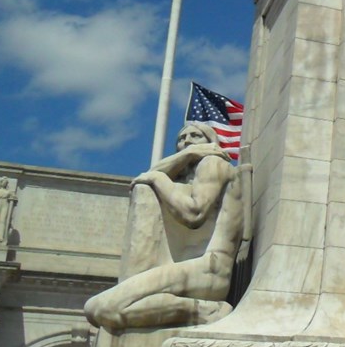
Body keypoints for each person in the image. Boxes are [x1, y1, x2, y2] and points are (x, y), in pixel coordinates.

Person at [84, 122, 244, 331]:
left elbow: (193, 213)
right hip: (186, 271)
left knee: (103, 307)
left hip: (209, 269)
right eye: (181, 138)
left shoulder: (213, 163)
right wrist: (184, 157)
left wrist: (159, 178)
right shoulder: (184, 179)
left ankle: (208, 311)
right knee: (98, 310)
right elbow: (142, 179)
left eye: (195, 136)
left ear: (209, 142)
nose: (186, 141)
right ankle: (203, 310)